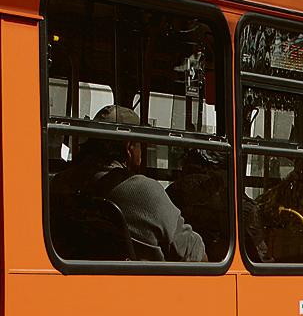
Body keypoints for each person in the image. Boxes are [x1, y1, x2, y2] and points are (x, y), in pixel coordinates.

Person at [51, 105, 206, 262]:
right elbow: (193, 254)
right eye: (140, 143)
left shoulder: (60, 183)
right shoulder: (145, 193)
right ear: (130, 148)